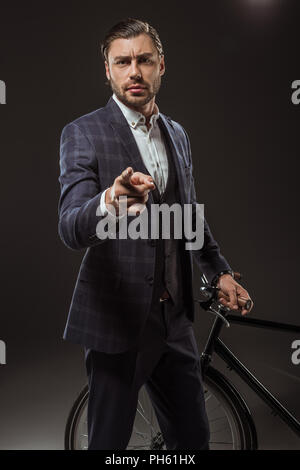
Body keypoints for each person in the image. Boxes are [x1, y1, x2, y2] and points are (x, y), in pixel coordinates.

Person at [57, 18, 253, 450]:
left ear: (161, 65)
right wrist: (109, 200)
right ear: (107, 70)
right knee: (109, 443)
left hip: (175, 316)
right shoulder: (83, 133)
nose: (134, 72)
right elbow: (71, 226)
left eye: (144, 60)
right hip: (118, 317)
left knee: (192, 441)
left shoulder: (177, 134)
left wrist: (218, 271)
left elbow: (187, 216)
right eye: (122, 61)